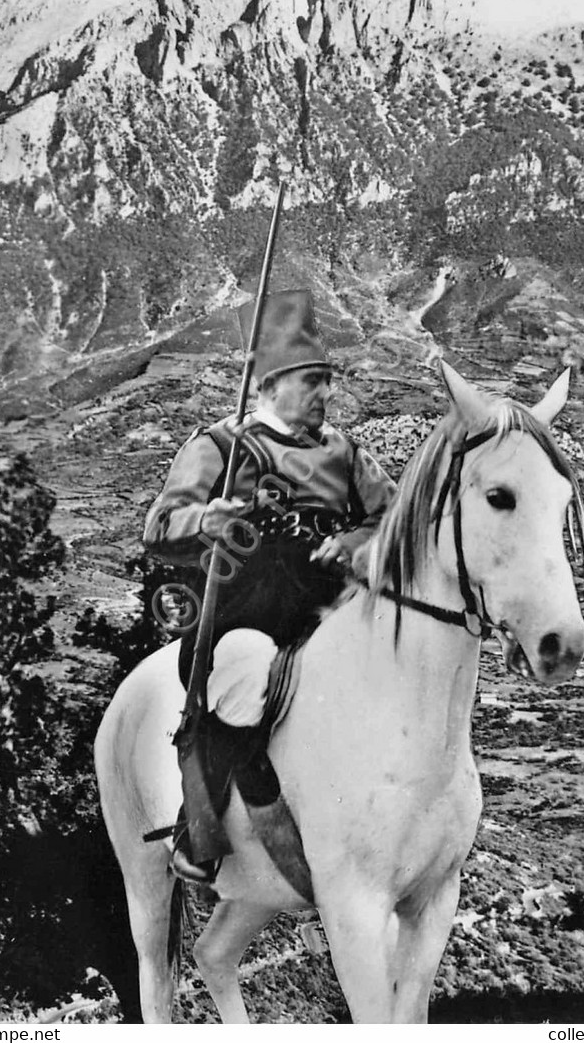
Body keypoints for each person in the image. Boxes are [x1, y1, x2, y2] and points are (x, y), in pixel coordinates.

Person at [144, 289, 396, 882]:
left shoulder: (344, 452)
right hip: (242, 613)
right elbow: (158, 527)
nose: (325, 394)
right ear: (271, 384)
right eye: (312, 380)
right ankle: (199, 831)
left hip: (330, 609)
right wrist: (205, 520)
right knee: (248, 669)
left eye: (328, 381)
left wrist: (356, 543)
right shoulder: (221, 447)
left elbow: (393, 515)